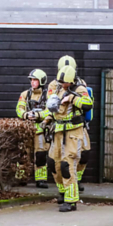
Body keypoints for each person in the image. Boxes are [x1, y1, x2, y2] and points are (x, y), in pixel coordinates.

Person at [46, 63, 92, 212]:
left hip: (73, 132)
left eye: (64, 82)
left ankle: (71, 200)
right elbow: (54, 109)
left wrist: (72, 99)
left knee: (67, 165)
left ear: (71, 80)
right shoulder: (59, 90)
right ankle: (63, 192)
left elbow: (88, 104)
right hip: (58, 131)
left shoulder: (79, 90)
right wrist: (47, 119)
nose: (62, 85)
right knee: (54, 163)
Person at [16, 69, 50, 188]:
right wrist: (25, 115)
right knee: (23, 154)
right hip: (26, 129)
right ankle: (21, 177)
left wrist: (39, 115)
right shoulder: (25, 94)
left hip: (40, 130)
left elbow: (50, 110)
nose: (32, 82)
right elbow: (19, 108)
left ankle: (41, 179)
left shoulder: (47, 95)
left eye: (35, 80)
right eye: (31, 80)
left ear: (41, 81)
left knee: (41, 155)